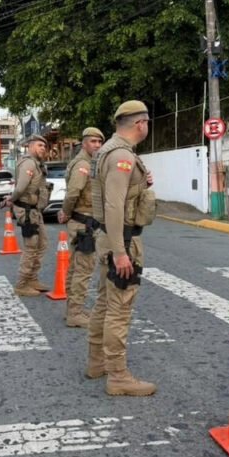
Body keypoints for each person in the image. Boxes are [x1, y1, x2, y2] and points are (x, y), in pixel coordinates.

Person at [86, 100, 157, 396]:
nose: (147, 127)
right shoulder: (120, 157)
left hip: (112, 236)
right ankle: (118, 376)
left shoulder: (111, 152)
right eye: (147, 122)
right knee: (119, 307)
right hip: (122, 239)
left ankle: (96, 362)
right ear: (140, 124)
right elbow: (114, 205)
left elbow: (120, 193)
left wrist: (142, 183)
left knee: (105, 302)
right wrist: (120, 251)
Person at [57, 127, 105, 328]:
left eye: (99, 142)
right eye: (93, 141)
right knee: (83, 269)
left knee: (77, 267)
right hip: (84, 223)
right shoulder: (83, 165)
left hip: (83, 222)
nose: (97, 145)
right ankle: (75, 313)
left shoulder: (89, 163)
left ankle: (72, 310)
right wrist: (65, 211)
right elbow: (74, 192)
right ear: (84, 143)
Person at [2, 134, 51, 296]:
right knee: (31, 247)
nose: (42, 149)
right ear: (29, 146)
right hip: (28, 211)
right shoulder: (29, 163)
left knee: (42, 244)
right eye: (39, 145)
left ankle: (32, 279)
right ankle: (21, 284)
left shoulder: (38, 164)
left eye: (44, 146)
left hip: (36, 211)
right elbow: (21, 187)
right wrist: (11, 199)